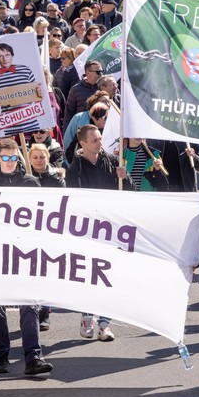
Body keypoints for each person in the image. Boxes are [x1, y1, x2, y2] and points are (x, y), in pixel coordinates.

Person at [0, 139, 52, 376]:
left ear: (18, 159)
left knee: (29, 304)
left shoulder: (31, 184)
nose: (10, 162)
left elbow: (43, 216)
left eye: (14, 158)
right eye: (6, 158)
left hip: (25, 250)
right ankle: (2, 357)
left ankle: (33, 356)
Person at [66, 124, 130, 340]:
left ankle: (105, 324)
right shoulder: (74, 169)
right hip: (88, 230)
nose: (100, 142)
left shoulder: (112, 162)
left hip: (112, 228)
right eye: (94, 140)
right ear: (82, 143)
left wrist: (125, 177)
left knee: (109, 276)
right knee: (89, 276)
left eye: (100, 138)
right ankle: (87, 317)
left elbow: (128, 193)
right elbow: (72, 202)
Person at [0, 42, 45, 135]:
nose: (5, 59)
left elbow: (38, 98)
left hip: (31, 125)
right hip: (10, 127)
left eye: (7, 55)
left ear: (12, 55)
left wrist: (40, 93)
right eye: (1, 56)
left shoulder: (25, 70)